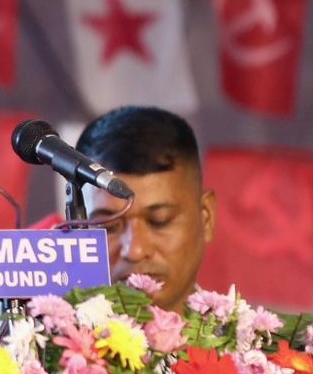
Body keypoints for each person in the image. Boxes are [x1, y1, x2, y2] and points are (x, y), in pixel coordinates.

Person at [75, 105, 217, 315]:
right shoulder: (38, 334)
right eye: (109, 226)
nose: (135, 251)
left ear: (206, 218)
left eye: (159, 220)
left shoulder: (256, 336)